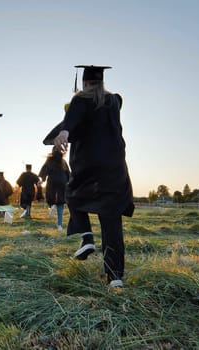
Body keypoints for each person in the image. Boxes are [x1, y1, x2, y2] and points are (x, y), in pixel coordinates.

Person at [44, 65, 134, 289]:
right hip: (115, 169)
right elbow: (95, 110)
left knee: (72, 195)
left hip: (89, 167)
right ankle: (115, 277)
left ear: (84, 83)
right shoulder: (115, 101)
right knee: (111, 220)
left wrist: (65, 129)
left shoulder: (80, 101)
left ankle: (86, 237)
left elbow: (72, 121)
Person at [38, 146, 70, 230]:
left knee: (51, 197)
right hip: (62, 182)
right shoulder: (63, 161)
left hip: (52, 181)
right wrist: (69, 182)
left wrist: (41, 179)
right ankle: (59, 224)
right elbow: (68, 173)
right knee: (60, 203)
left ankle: (52, 205)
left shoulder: (49, 161)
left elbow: (44, 171)